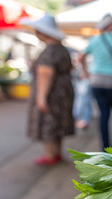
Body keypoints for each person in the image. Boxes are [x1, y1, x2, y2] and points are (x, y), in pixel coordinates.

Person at [22, 14, 74, 166]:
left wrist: (41, 98)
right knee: (58, 123)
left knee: (48, 122)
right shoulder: (62, 49)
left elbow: (45, 74)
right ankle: (57, 152)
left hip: (52, 93)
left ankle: (50, 154)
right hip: (64, 92)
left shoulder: (50, 51)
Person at [80, 13, 112, 149]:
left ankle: (105, 147)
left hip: (96, 80)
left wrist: (85, 72)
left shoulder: (93, 40)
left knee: (104, 114)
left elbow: (81, 57)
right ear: (111, 25)